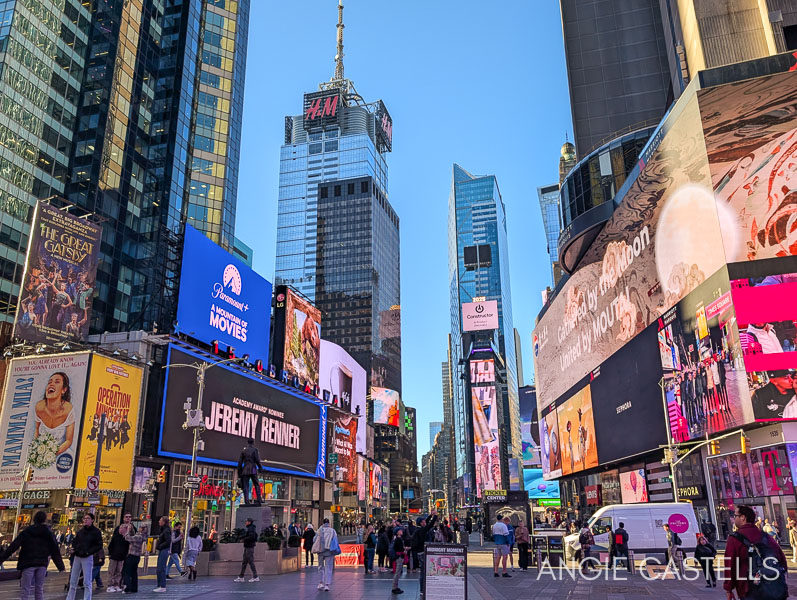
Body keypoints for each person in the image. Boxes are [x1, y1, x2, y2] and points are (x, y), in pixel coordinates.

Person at [724, 504, 787, 600]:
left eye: (735, 515)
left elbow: (730, 565)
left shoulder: (734, 539)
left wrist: (728, 588)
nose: (734, 518)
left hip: (748, 588)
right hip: (773, 587)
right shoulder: (766, 536)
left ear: (743, 517)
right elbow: (781, 558)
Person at [0, 510, 65, 600]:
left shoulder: (27, 532)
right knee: (39, 589)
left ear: (34, 519)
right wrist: (60, 566)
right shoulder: (48, 533)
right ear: (44, 520)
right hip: (42, 563)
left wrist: (1, 559)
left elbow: (13, 547)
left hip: (28, 563)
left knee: (25, 590)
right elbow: (55, 550)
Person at [66, 513, 103, 600]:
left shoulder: (96, 532)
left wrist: (88, 552)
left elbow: (98, 545)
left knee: (87, 581)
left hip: (87, 557)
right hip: (77, 556)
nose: (85, 520)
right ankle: (70, 598)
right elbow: (75, 542)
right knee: (73, 580)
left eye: (88, 518)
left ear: (92, 520)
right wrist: (73, 549)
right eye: (84, 518)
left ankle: (87, 598)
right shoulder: (80, 532)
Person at [107, 513, 134, 592]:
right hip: (115, 554)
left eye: (129, 517)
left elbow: (132, 541)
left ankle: (116, 584)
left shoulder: (130, 532)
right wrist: (110, 553)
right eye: (126, 517)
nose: (128, 518)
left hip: (123, 555)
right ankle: (110, 585)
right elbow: (111, 544)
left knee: (119, 571)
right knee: (112, 570)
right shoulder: (117, 535)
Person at [312, 518, 339, 592]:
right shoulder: (332, 531)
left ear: (323, 523)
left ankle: (321, 582)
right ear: (329, 523)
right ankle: (327, 584)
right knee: (328, 567)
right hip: (329, 551)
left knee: (320, 566)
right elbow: (335, 540)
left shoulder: (319, 530)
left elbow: (314, 540)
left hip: (320, 551)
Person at [122, 523, 148, 594]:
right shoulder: (143, 536)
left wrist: (127, 530)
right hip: (137, 556)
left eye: (140, 527)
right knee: (134, 573)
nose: (139, 528)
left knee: (127, 572)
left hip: (132, 555)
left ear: (142, 529)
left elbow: (127, 538)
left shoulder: (139, 536)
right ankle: (134, 588)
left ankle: (128, 588)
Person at [238, 438, 264, 504]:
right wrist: (261, 468)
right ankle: (259, 499)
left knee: (245, 486)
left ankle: (246, 501)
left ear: (248, 442)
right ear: (253, 442)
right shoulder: (255, 450)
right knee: (257, 484)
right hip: (253, 469)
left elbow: (240, 463)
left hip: (245, 470)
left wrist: (240, 472)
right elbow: (258, 460)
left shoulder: (243, 451)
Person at [234, 517, 259, 582]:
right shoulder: (250, 528)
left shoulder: (251, 528)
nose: (245, 522)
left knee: (250, 561)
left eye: (246, 521)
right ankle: (241, 576)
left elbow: (251, 537)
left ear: (249, 522)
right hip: (248, 546)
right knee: (244, 562)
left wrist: (244, 539)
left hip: (249, 546)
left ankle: (255, 576)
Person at [154, 516, 172, 592]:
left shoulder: (166, 530)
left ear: (164, 522)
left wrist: (160, 546)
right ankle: (160, 585)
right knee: (159, 568)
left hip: (164, 549)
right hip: (162, 549)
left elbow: (168, 541)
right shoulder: (163, 530)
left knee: (161, 567)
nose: (159, 521)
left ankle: (162, 585)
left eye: (160, 520)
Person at [391, 528, 407, 594]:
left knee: (398, 572)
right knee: (397, 572)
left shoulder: (398, 539)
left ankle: (395, 586)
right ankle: (394, 587)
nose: (402, 531)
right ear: (397, 532)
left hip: (399, 556)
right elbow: (399, 548)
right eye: (400, 530)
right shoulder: (398, 539)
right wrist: (404, 549)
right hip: (399, 556)